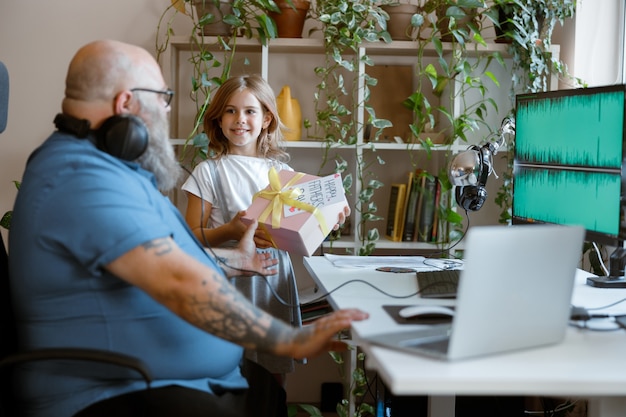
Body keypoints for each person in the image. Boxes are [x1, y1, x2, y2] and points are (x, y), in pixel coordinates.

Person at [8, 39, 368, 417]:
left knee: (268, 396)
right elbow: (177, 281)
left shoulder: (110, 167)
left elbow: (156, 257)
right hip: (117, 392)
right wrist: (289, 338)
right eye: (162, 97)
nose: (166, 108)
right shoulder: (81, 178)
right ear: (126, 104)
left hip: (172, 378)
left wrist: (232, 260)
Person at [181, 74, 345, 383]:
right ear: (218, 118)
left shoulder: (282, 173)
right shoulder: (209, 171)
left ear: (267, 118)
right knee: (227, 374)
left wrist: (332, 217)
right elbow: (191, 236)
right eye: (230, 111)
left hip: (273, 281)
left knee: (272, 378)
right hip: (227, 283)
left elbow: (304, 228)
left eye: (249, 111)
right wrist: (231, 230)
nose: (239, 119)